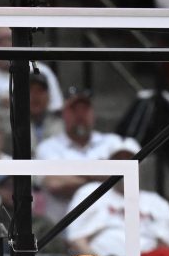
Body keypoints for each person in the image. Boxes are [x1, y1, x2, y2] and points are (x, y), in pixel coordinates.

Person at [65, 137, 169, 256]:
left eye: (130, 160)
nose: (125, 165)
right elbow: (75, 239)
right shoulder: (90, 192)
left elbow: (168, 246)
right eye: (119, 160)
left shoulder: (157, 203)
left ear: (140, 165)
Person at [35, 87, 123, 222]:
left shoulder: (112, 142)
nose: (80, 115)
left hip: (108, 225)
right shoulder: (48, 147)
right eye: (74, 110)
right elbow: (54, 185)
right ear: (63, 114)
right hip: (62, 228)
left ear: (93, 113)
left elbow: (123, 179)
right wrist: (98, 172)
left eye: (85, 109)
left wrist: (72, 176)